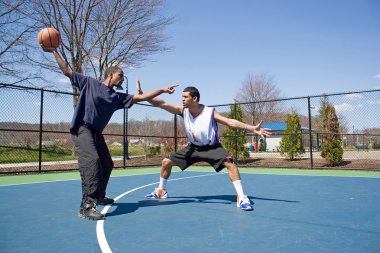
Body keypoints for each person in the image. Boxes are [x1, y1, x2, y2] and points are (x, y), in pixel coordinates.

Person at [44, 48, 178, 220]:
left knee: (107, 164)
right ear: (111, 74)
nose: (122, 78)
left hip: (96, 133)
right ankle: (87, 205)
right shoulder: (89, 83)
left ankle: (99, 196)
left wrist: (162, 89)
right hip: (82, 128)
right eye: (120, 75)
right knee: (92, 161)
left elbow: (141, 98)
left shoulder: (116, 97)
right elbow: (67, 71)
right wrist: (54, 50)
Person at [141, 85, 271, 211]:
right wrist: (144, 97)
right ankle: (161, 191)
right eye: (182, 97)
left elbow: (230, 122)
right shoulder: (183, 111)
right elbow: (161, 104)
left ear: (195, 98)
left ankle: (242, 197)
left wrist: (252, 128)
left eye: (185, 97)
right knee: (166, 162)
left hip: (212, 148)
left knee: (230, 163)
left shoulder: (209, 112)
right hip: (193, 148)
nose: (182, 99)